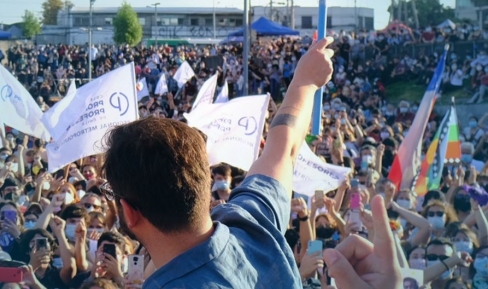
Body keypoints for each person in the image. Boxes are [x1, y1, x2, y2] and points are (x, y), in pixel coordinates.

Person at [100, 37, 402, 288]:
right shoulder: (253, 222)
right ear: (206, 183)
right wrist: (305, 80)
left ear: (128, 213)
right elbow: (283, 148)